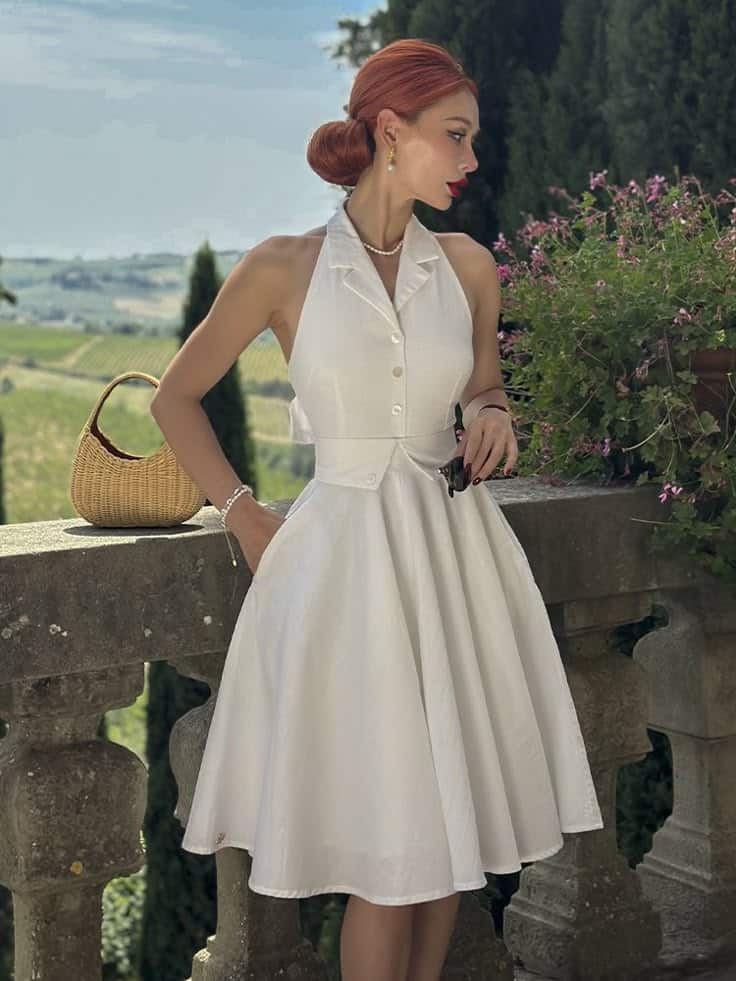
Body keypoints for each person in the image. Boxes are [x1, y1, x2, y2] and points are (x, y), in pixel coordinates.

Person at [151, 37, 604, 981]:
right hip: (343, 571)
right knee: (388, 861)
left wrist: (493, 414)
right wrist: (241, 512)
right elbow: (174, 397)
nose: (474, 159)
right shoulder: (283, 267)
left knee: (444, 844)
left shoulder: (471, 266)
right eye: (457, 135)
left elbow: (483, 385)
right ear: (391, 132)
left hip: (453, 559)